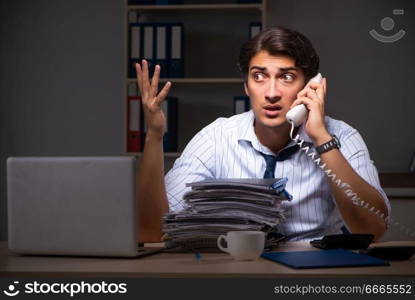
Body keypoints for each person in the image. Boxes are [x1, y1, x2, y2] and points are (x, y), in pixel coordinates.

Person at [136, 27, 390, 243]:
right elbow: (152, 232)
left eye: (286, 77)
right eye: (259, 76)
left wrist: (322, 139)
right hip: (237, 271)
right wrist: (154, 136)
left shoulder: (341, 137)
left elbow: (373, 230)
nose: (271, 93)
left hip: (317, 273)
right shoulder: (216, 137)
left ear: (310, 86)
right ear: (246, 85)